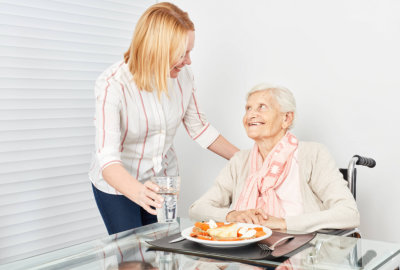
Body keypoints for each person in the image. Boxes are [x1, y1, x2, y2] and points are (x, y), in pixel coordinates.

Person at [89, 2, 239, 235]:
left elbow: (199, 127)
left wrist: (245, 160)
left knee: (160, 253)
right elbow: (108, 162)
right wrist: (138, 193)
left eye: (190, 52)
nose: (188, 61)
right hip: (118, 184)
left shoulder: (183, 76)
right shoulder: (113, 86)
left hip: (163, 181)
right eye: (182, 53)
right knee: (131, 258)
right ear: (157, 50)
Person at [189, 83, 360, 232]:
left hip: (301, 251)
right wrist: (233, 215)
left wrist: (282, 223)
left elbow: (349, 213)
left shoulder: (313, 154)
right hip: (246, 250)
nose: (251, 114)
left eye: (262, 107)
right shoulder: (240, 161)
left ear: (286, 118)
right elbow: (197, 209)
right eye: (248, 108)